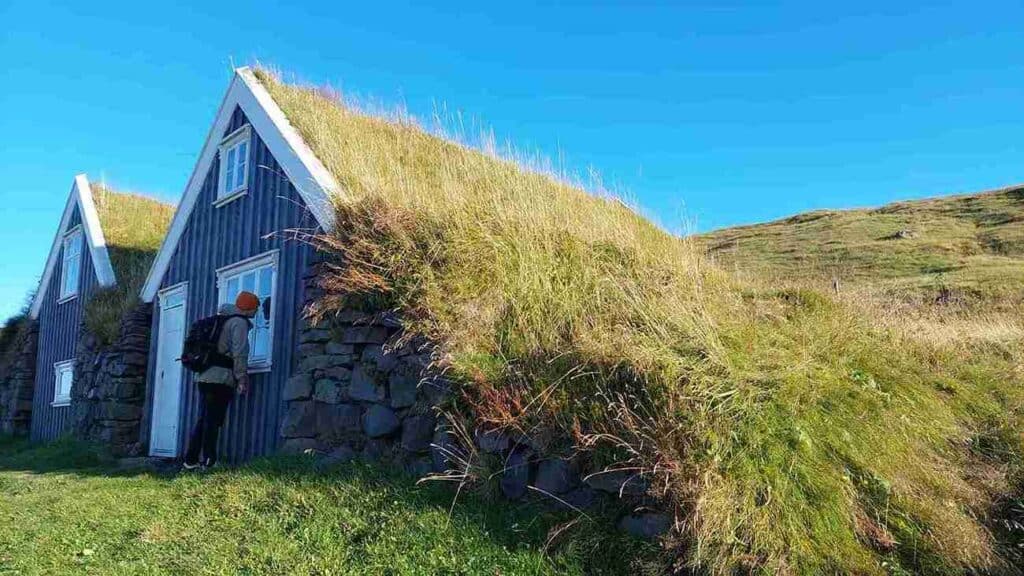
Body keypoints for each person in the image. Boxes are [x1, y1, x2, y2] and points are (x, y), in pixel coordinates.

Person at [182, 291, 259, 470]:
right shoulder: (238, 323)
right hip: (220, 378)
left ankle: (190, 460)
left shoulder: (221, 319)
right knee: (213, 420)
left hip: (204, 376)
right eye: (255, 308)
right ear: (248, 308)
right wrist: (242, 378)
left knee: (204, 418)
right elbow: (240, 352)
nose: (256, 312)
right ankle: (209, 461)